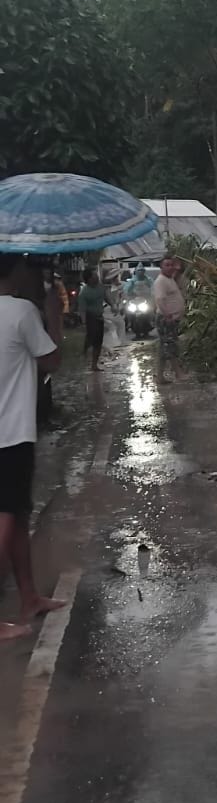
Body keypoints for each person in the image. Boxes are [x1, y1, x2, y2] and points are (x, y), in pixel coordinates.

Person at [0, 254, 65, 642]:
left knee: (19, 516)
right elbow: (52, 361)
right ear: (14, 272)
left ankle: (29, 597)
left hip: (9, 434)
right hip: (10, 434)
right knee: (6, 518)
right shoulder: (20, 311)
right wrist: (54, 314)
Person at [152, 256, 185, 381]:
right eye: (167, 265)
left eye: (171, 265)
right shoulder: (161, 281)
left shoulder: (169, 279)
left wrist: (176, 268)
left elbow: (177, 272)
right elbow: (160, 299)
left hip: (171, 318)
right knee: (169, 346)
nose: (170, 267)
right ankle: (178, 373)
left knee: (166, 347)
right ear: (161, 267)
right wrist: (167, 315)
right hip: (166, 319)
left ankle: (160, 376)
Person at [78, 266, 108, 372]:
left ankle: (94, 364)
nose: (97, 276)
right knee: (92, 339)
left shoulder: (100, 287)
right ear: (89, 279)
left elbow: (106, 297)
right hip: (91, 318)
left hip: (100, 317)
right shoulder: (84, 293)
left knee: (99, 341)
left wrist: (113, 305)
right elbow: (82, 309)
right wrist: (84, 322)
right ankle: (84, 354)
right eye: (95, 275)